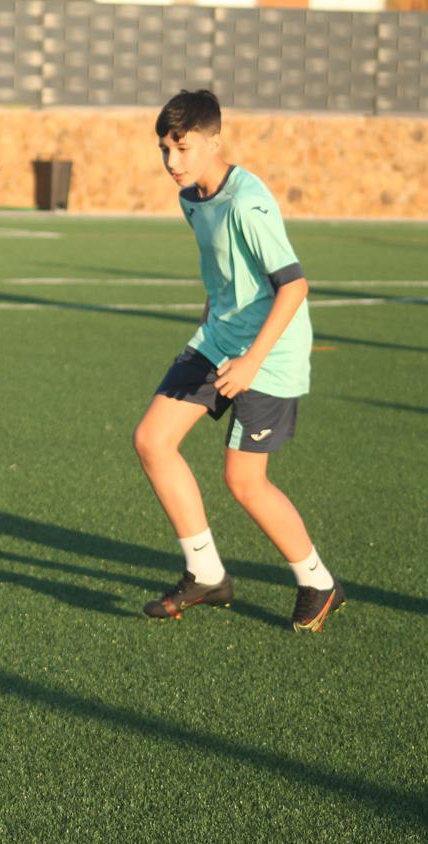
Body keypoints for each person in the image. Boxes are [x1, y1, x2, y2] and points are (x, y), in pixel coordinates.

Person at [134, 89, 343, 632]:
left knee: (244, 480)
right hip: (219, 338)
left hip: (269, 355)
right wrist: (212, 331)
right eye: (164, 149)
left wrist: (250, 361)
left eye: (182, 148)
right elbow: (222, 272)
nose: (171, 162)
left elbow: (294, 287)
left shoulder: (247, 202)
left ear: (214, 141)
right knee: (152, 441)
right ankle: (206, 573)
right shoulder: (191, 198)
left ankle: (318, 581)